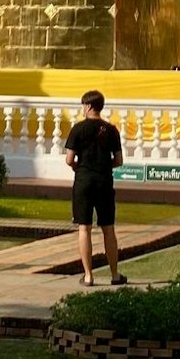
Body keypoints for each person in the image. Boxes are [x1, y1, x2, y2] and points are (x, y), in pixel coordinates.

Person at [63, 89, 125, 286]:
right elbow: (119, 160)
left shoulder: (78, 129)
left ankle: (88, 275)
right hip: (104, 181)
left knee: (84, 228)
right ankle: (115, 274)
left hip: (83, 181)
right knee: (108, 228)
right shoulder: (111, 130)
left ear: (88, 106)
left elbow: (69, 159)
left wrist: (80, 167)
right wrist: (103, 165)